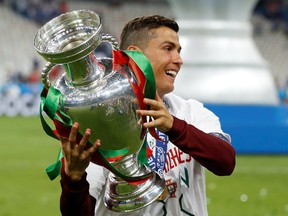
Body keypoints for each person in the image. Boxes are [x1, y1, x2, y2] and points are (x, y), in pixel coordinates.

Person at [59, 15, 236, 216]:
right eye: (168, 49)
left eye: (178, 51)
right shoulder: (100, 123)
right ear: (135, 56)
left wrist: (174, 127)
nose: (178, 60)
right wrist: (73, 180)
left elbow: (226, 162)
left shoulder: (191, 112)